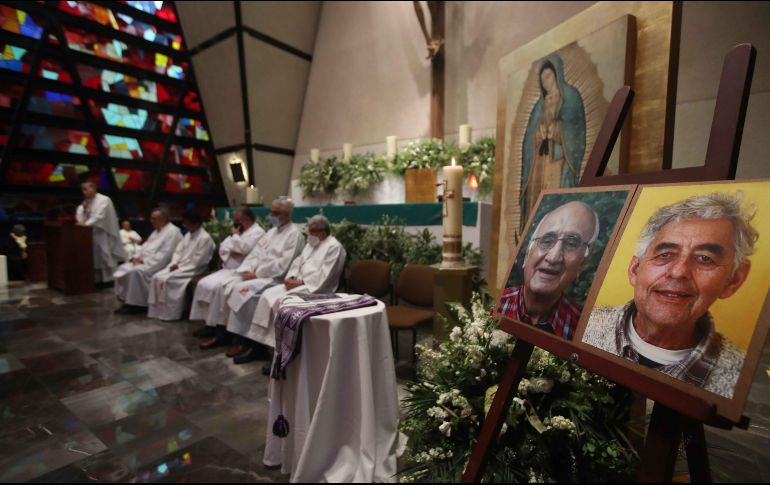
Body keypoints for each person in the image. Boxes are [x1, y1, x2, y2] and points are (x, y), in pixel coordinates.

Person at [583, 192, 756, 399]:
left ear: (733, 280)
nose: (679, 272)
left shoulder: (744, 381)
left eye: (704, 258)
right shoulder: (581, 325)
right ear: (635, 269)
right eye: (665, 255)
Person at [198, 197, 304, 356]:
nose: (271, 215)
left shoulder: (294, 235)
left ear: (286, 214)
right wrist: (246, 269)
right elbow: (255, 254)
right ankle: (223, 332)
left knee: (239, 291)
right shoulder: (270, 232)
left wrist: (257, 273)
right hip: (255, 274)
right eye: (271, 212)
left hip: (272, 278)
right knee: (224, 285)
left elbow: (284, 264)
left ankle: (243, 340)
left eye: (275, 213)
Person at [236, 214, 346, 366]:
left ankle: (283, 352)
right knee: (266, 295)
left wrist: (300, 282)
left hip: (316, 289)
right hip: (298, 284)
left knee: (280, 302)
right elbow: (297, 263)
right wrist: (291, 277)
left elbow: (326, 276)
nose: (309, 235)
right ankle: (259, 345)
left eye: (313, 232)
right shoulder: (311, 244)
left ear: (323, 232)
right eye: (309, 231)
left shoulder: (334, 247)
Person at [497, 201, 599, 339]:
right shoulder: (495, 306)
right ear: (527, 254)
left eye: (571, 243)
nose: (553, 257)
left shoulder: (584, 331)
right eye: (547, 240)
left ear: (582, 263)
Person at [519, 56, 586, 230]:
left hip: (558, 160)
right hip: (539, 162)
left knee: (554, 197)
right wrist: (538, 135)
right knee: (536, 196)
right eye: (542, 80)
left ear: (557, 75)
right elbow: (528, 137)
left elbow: (575, 127)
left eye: (548, 77)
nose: (546, 83)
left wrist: (556, 130)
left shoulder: (570, 96)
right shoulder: (539, 105)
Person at [189, 208, 266, 337]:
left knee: (218, 288)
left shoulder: (258, 232)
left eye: (237, 220)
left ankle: (218, 327)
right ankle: (208, 323)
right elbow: (224, 247)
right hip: (227, 269)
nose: (235, 223)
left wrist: (235, 239)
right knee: (203, 284)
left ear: (246, 220)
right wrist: (234, 247)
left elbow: (244, 249)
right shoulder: (240, 232)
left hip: (239, 270)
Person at [147, 210, 215, 321]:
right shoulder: (188, 235)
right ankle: (158, 312)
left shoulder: (205, 238)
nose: (184, 226)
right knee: (156, 277)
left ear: (196, 224)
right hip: (179, 266)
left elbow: (199, 261)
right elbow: (178, 252)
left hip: (194, 269)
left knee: (168, 280)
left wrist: (180, 266)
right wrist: (174, 263)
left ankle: (172, 313)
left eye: (187, 223)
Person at [114, 208, 182, 313]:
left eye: (154, 219)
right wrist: (136, 257)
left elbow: (166, 254)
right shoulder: (156, 231)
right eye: (151, 218)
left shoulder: (173, 231)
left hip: (157, 265)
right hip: (145, 261)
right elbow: (144, 247)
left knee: (136, 272)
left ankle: (136, 305)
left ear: (164, 219)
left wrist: (145, 262)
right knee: (123, 267)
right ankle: (126, 299)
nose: (151, 221)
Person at [75, 182, 126, 285]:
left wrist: (86, 224)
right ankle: (97, 281)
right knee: (95, 258)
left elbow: (99, 216)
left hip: (103, 233)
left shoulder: (104, 200)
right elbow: (80, 215)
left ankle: (109, 281)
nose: (84, 192)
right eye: (83, 190)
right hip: (90, 234)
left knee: (104, 256)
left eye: (86, 189)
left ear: (93, 189)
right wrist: (84, 210)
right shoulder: (87, 202)